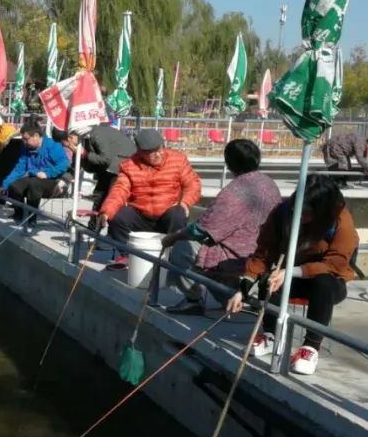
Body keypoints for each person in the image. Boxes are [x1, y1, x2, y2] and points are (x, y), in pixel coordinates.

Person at [226, 174, 357, 376]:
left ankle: (311, 346)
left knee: (323, 284)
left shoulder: (341, 220)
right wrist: (243, 289)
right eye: (298, 208)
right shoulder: (281, 213)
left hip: (326, 280)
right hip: (287, 275)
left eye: (307, 213)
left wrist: (292, 272)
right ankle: (269, 333)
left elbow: (335, 263)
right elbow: (263, 253)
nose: (300, 216)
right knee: (267, 280)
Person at [163, 139, 283, 314]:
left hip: (242, 252)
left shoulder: (235, 192)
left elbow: (204, 229)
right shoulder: (269, 183)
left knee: (184, 247)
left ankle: (193, 299)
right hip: (262, 250)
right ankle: (232, 294)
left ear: (229, 163)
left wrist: (172, 238)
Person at [98, 128, 202, 268]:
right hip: (141, 215)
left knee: (178, 213)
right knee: (117, 215)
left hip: (167, 214)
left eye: (160, 149)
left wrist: (185, 202)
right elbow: (119, 190)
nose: (158, 154)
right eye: (151, 152)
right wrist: (106, 212)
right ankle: (128, 255)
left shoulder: (178, 159)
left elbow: (193, 184)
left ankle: (172, 255)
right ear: (141, 153)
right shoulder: (129, 166)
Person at [0, 123, 70, 231]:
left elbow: (64, 164)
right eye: (23, 139)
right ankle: (19, 214)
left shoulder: (53, 146)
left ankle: (31, 219)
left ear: (36, 136)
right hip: (34, 177)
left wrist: (48, 173)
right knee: (14, 186)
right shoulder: (26, 148)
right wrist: (5, 185)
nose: (24, 142)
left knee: (34, 185)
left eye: (26, 139)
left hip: (53, 181)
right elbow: (19, 169)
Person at [83, 122, 136, 209]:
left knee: (111, 197)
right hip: (112, 166)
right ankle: (95, 221)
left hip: (121, 164)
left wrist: (85, 154)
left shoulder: (96, 135)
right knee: (99, 196)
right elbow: (91, 167)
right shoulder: (88, 137)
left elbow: (105, 159)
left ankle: (103, 219)